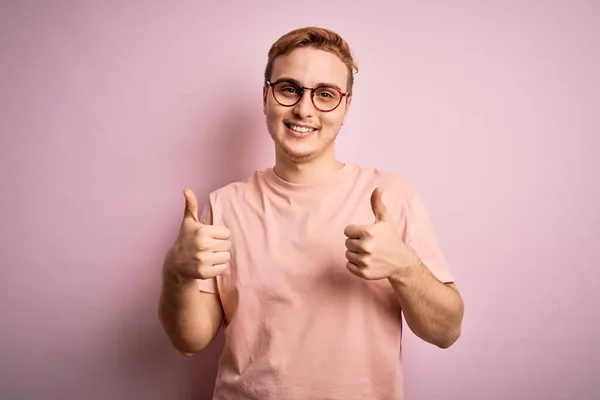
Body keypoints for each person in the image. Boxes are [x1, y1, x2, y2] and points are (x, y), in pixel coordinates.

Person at [158, 26, 464, 400]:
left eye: (325, 95)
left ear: (346, 107)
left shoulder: (390, 197)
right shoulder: (223, 205)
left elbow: (446, 331)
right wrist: (176, 271)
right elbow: (190, 340)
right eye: (289, 89)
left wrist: (403, 266)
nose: (304, 109)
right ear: (266, 97)